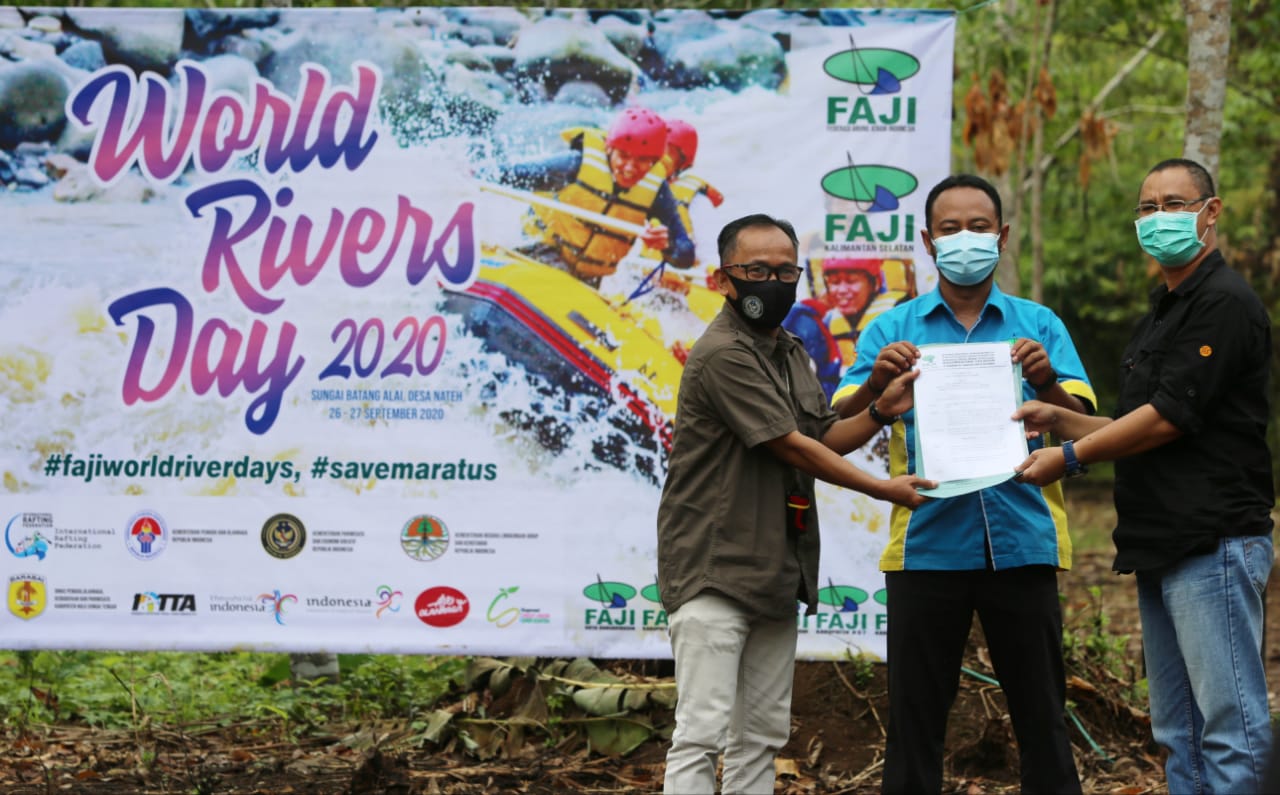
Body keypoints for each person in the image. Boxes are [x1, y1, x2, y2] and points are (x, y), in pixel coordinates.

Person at [1013, 157, 1274, 795]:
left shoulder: (1223, 303)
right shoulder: (1163, 309)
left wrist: (1070, 457)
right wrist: (1060, 419)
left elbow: (1169, 420)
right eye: (1149, 207)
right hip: (1161, 539)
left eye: (1176, 204)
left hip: (1212, 539)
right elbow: (1135, 422)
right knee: (1176, 731)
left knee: (1229, 726)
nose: (1161, 219)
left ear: (1211, 213)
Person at [831, 174, 1093, 794]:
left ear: (1001, 237)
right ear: (927, 241)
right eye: (950, 228)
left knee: (1042, 720)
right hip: (926, 546)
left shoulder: (1039, 325)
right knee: (915, 725)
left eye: (979, 227)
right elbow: (836, 425)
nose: (965, 239)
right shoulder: (890, 331)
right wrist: (877, 390)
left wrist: (1047, 381)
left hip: (1024, 540)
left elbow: (1089, 424)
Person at [656, 213, 935, 795]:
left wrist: (882, 408)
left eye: (786, 270)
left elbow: (825, 433)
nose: (773, 281)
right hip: (714, 569)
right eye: (756, 269)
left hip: (776, 572)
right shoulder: (721, 354)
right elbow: (791, 446)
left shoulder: (788, 350)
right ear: (723, 279)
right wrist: (886, 489)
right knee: (701, 734)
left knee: (760, 735)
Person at [489, 106, 695, 286]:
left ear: (654, 162)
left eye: (642, 160)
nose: (630, 168)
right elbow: (507, 175)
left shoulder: (656, 190)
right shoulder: (575, 164)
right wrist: (474, 174)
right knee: (560, 283)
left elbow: (685, 255)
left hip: (589, 277)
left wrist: (666, 244)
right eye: (623, 156)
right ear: (609, 148)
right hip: (539, 251)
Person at [661, 118, 724, 241]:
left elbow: (711, 252)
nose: (660, 157)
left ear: (683, 161)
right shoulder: (633, 186)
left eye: (667, 151)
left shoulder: (697, 201)